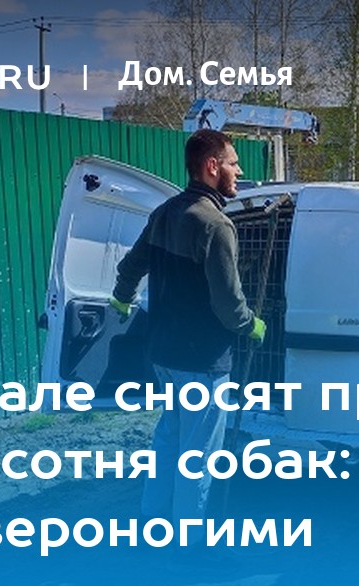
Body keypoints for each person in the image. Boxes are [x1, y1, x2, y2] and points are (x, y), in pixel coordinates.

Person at [108, 129, 266, 522]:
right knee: (199, 455)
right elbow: (229, 304)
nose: (239, 171)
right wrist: (251, 326)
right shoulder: (215, 225)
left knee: (169, 442)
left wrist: (121, 299)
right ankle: (189, 540)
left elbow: (130, 267)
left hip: (164, 355)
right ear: (212, 166)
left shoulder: (165, 213)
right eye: (233, 163)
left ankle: (153, 522)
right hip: (203, 362)